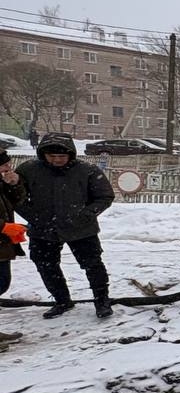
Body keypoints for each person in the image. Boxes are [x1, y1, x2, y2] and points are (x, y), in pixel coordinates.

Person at [15, 132, 116, 318]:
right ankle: (62, 300)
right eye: (52, 156)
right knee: (46, 265)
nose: (57, 160)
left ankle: (102, 300)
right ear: (43, 154)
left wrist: (86, 214)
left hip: (81, 228)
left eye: (62, 156)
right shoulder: (29, 170)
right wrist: (34, 217)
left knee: (92, 264)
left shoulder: (88, 171)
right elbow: (15, 197)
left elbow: (104, 196)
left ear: (71, 154)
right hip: (43, 229)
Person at [0, 149, 29, 344]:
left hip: (2, 245)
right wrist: (3, 227)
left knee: (2, 283)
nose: (8, 167)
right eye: (3, 165)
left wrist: (14, 184)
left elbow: (16, 202)